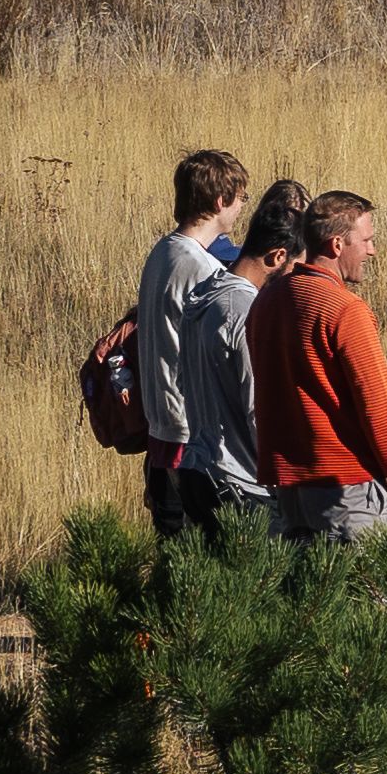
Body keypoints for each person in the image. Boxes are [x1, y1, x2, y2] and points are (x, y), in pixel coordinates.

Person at [248, 191, 387, 544]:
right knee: (364, 596)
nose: (372, 251)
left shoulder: (267, 299)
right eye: (367, 240)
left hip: (290, 488)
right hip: (345, 489)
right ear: (337, 244)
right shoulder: (346, 310)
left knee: (307, 597)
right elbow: (379, 408)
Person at [172, 182, 304, 534]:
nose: (298, 283)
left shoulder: (203, 295)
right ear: (277, 257)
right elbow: (257, 408)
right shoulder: (246, 310)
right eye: (297, 269)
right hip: (239, 485)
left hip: (197, 470)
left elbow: (182, 381)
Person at [135, 148, 249, 536]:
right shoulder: (203, 269)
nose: (241, 209)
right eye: (241, 198)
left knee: (172, 548)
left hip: (161, 426)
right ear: (221, 201)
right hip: (190, 434)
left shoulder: (163, 252)